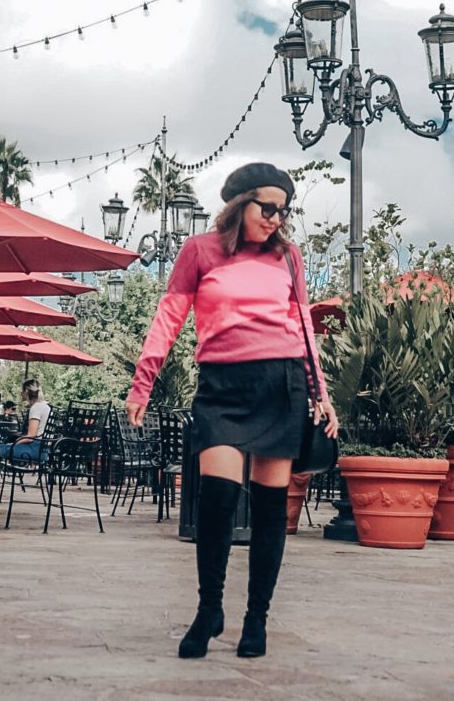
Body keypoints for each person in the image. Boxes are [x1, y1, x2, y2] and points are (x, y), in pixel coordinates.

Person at [126, 162, 338, 660]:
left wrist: (320, 392)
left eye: (284, 212)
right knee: (216, 505)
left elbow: (303, 325)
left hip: (281, 385)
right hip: (222, 387)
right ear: (240, 203)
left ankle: (256, 619)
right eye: (268, 208)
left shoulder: (289, 258)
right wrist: (142, 384)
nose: (276, 220)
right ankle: (208, 610)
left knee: (269, 511)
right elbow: (169, 316)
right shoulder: (199, 251)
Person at [0, 379, 51, 462]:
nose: (21, 393)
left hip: (35, 450)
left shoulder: (36, 407)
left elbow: (30, 437)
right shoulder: (46, 407)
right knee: (4, 447)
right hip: (44, 451)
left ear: (26, 391)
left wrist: (14, 443)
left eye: (22, 390)